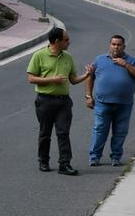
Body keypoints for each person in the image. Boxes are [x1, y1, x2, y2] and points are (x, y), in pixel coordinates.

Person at [27, 27, 92, 175]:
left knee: (63, 132)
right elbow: (31, 78)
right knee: (45, 133)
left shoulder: (67, 57)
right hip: (45, 100)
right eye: (66, 40)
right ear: (57, 41)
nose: (69, 42)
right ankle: (43, 161)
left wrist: (87, 74)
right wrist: (52, 80)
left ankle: (65, 164)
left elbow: (73, 80)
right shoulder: (39, 55)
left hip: (64, 102)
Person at [84, 34, 135, 167]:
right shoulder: (99, 60)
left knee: (120, 131)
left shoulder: (131, 60)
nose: (116, 47)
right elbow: (90, 77)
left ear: (124, 46)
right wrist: (88, 96)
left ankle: (116, 157)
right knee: (100, 130)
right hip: (102, 103)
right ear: (109, 45)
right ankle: (94, 156)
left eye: (119, 44)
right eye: (113, 44)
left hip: (124, 104)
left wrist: (126, 65)